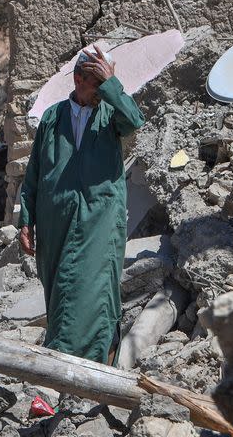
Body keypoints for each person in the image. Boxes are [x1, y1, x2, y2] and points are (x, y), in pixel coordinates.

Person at [18, 45, 145, 365]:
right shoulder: (52, 117)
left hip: (99, 221)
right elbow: (33, 174)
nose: (102, 90)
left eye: (106, 83)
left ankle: (85, 364)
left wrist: (111, 84)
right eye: (96, 82)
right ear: (77, 80)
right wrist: (26, 220)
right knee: (61, 294)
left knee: (94, 289)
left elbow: (135, 120)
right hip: (55, 224)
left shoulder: (111, 115)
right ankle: (64, 363)